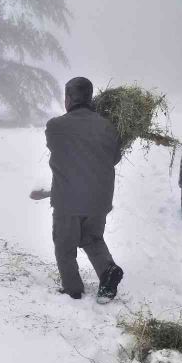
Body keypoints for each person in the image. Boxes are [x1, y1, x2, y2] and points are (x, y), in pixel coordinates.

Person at [34, 76, 124, 304]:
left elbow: (57, 148)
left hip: (68, 200)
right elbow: (114, 158)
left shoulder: (55, 126)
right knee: (93, 239)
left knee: (65, 244)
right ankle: (107, 271)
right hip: (99, 199)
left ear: (69, 98)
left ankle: (73, 289)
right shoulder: (109, 126)